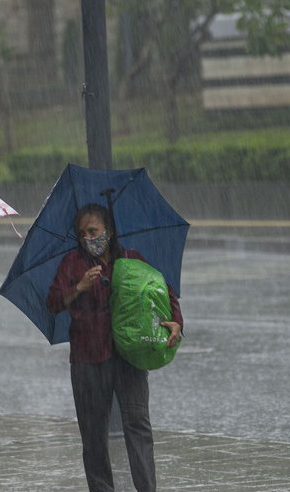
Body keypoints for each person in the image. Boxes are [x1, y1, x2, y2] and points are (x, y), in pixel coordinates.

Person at [46, 203, 183, 492]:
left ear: (109, 231)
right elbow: (54, 302)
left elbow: (161, 291)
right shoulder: (73, 263)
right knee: (93, 436)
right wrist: (79, 287)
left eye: (94, 231)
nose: (88, 238)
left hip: (129, 356)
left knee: (138, 426)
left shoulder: (131, 259)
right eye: (82, 234)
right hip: (87, 357)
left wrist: (175, 322)